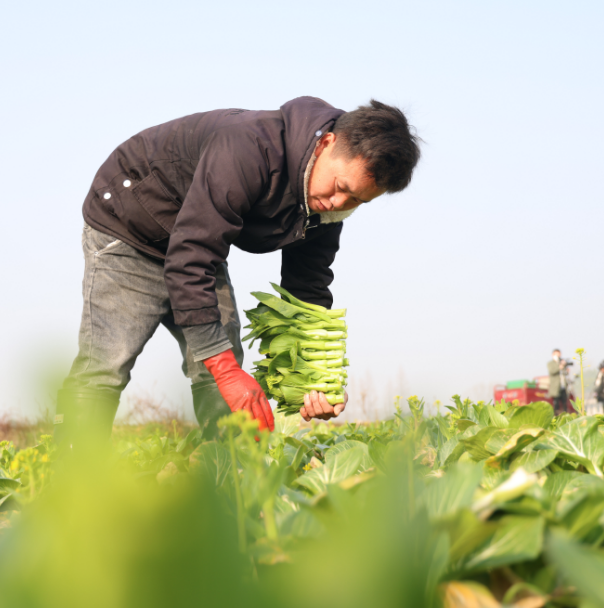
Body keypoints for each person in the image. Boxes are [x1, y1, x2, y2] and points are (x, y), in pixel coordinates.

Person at [55, 97, 421, 441]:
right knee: (107, 365)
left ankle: (231, 484)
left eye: (357, 199)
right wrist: (225, 369)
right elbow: (190, 258)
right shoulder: (248, 149)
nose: (338, 202)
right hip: (131, 225)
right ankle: (73, 482)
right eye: (341, 186)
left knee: (222, 363)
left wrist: (313, 378)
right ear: (326, 143)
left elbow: (307, 285)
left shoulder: (327, 205)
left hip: (196, 240)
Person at [547, 349, 570, 415]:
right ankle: (556, 418)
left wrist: (566, 370)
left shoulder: (562, 362)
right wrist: (559, 367)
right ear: (553, 355)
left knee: (565, 404)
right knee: (556, 404)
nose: (558, 356)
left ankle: (565, 416)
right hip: (556, 387)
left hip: (563, 387)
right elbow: (552, 371)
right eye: (556, 354)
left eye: (559, 354)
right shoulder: (550, 363)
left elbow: (565, 374)